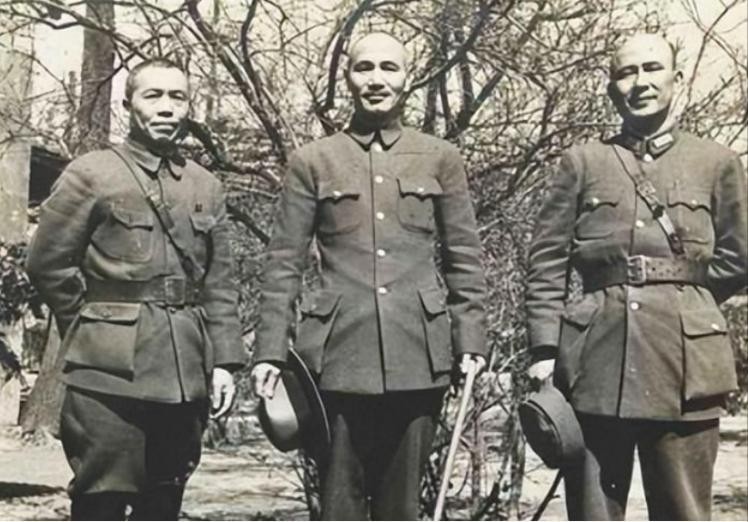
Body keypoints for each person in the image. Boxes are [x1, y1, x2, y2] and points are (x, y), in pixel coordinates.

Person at [251, 32, 487, 520]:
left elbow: (464, 257)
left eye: (388, 67)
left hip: (418, 356)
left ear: (408, 78)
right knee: (340, 504)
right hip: (337, 359)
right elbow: (284, 262)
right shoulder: (314, 160)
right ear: (348, 77)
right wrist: (270, 350)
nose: (376, 79)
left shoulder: (440, 157)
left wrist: (470, 342)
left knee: (402, 507)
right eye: (364, 68)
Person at [525, 33, 747, 520]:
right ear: (611, 88)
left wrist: (685, 302)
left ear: (677, 79)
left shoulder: (717, 162)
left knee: (684, 512)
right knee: (593, 512)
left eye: (652, 68)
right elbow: (547, 261)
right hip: (595, 364)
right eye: (626, 73)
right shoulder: (583, 162)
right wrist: (544, 350)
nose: (640, 82)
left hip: (686, 369)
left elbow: (739, 258)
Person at [26, 58, 246, 520]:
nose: (166, 107)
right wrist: (93, 324)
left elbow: (219, 282)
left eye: (177, 96)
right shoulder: (92, 173)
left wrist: (225, 362)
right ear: (128, 105)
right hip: (108, 373)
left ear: (189, 106)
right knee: (102, 495)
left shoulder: (205, 185)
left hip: (184, 371)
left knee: (165, 495)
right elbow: (47, 263)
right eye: (153, 95)